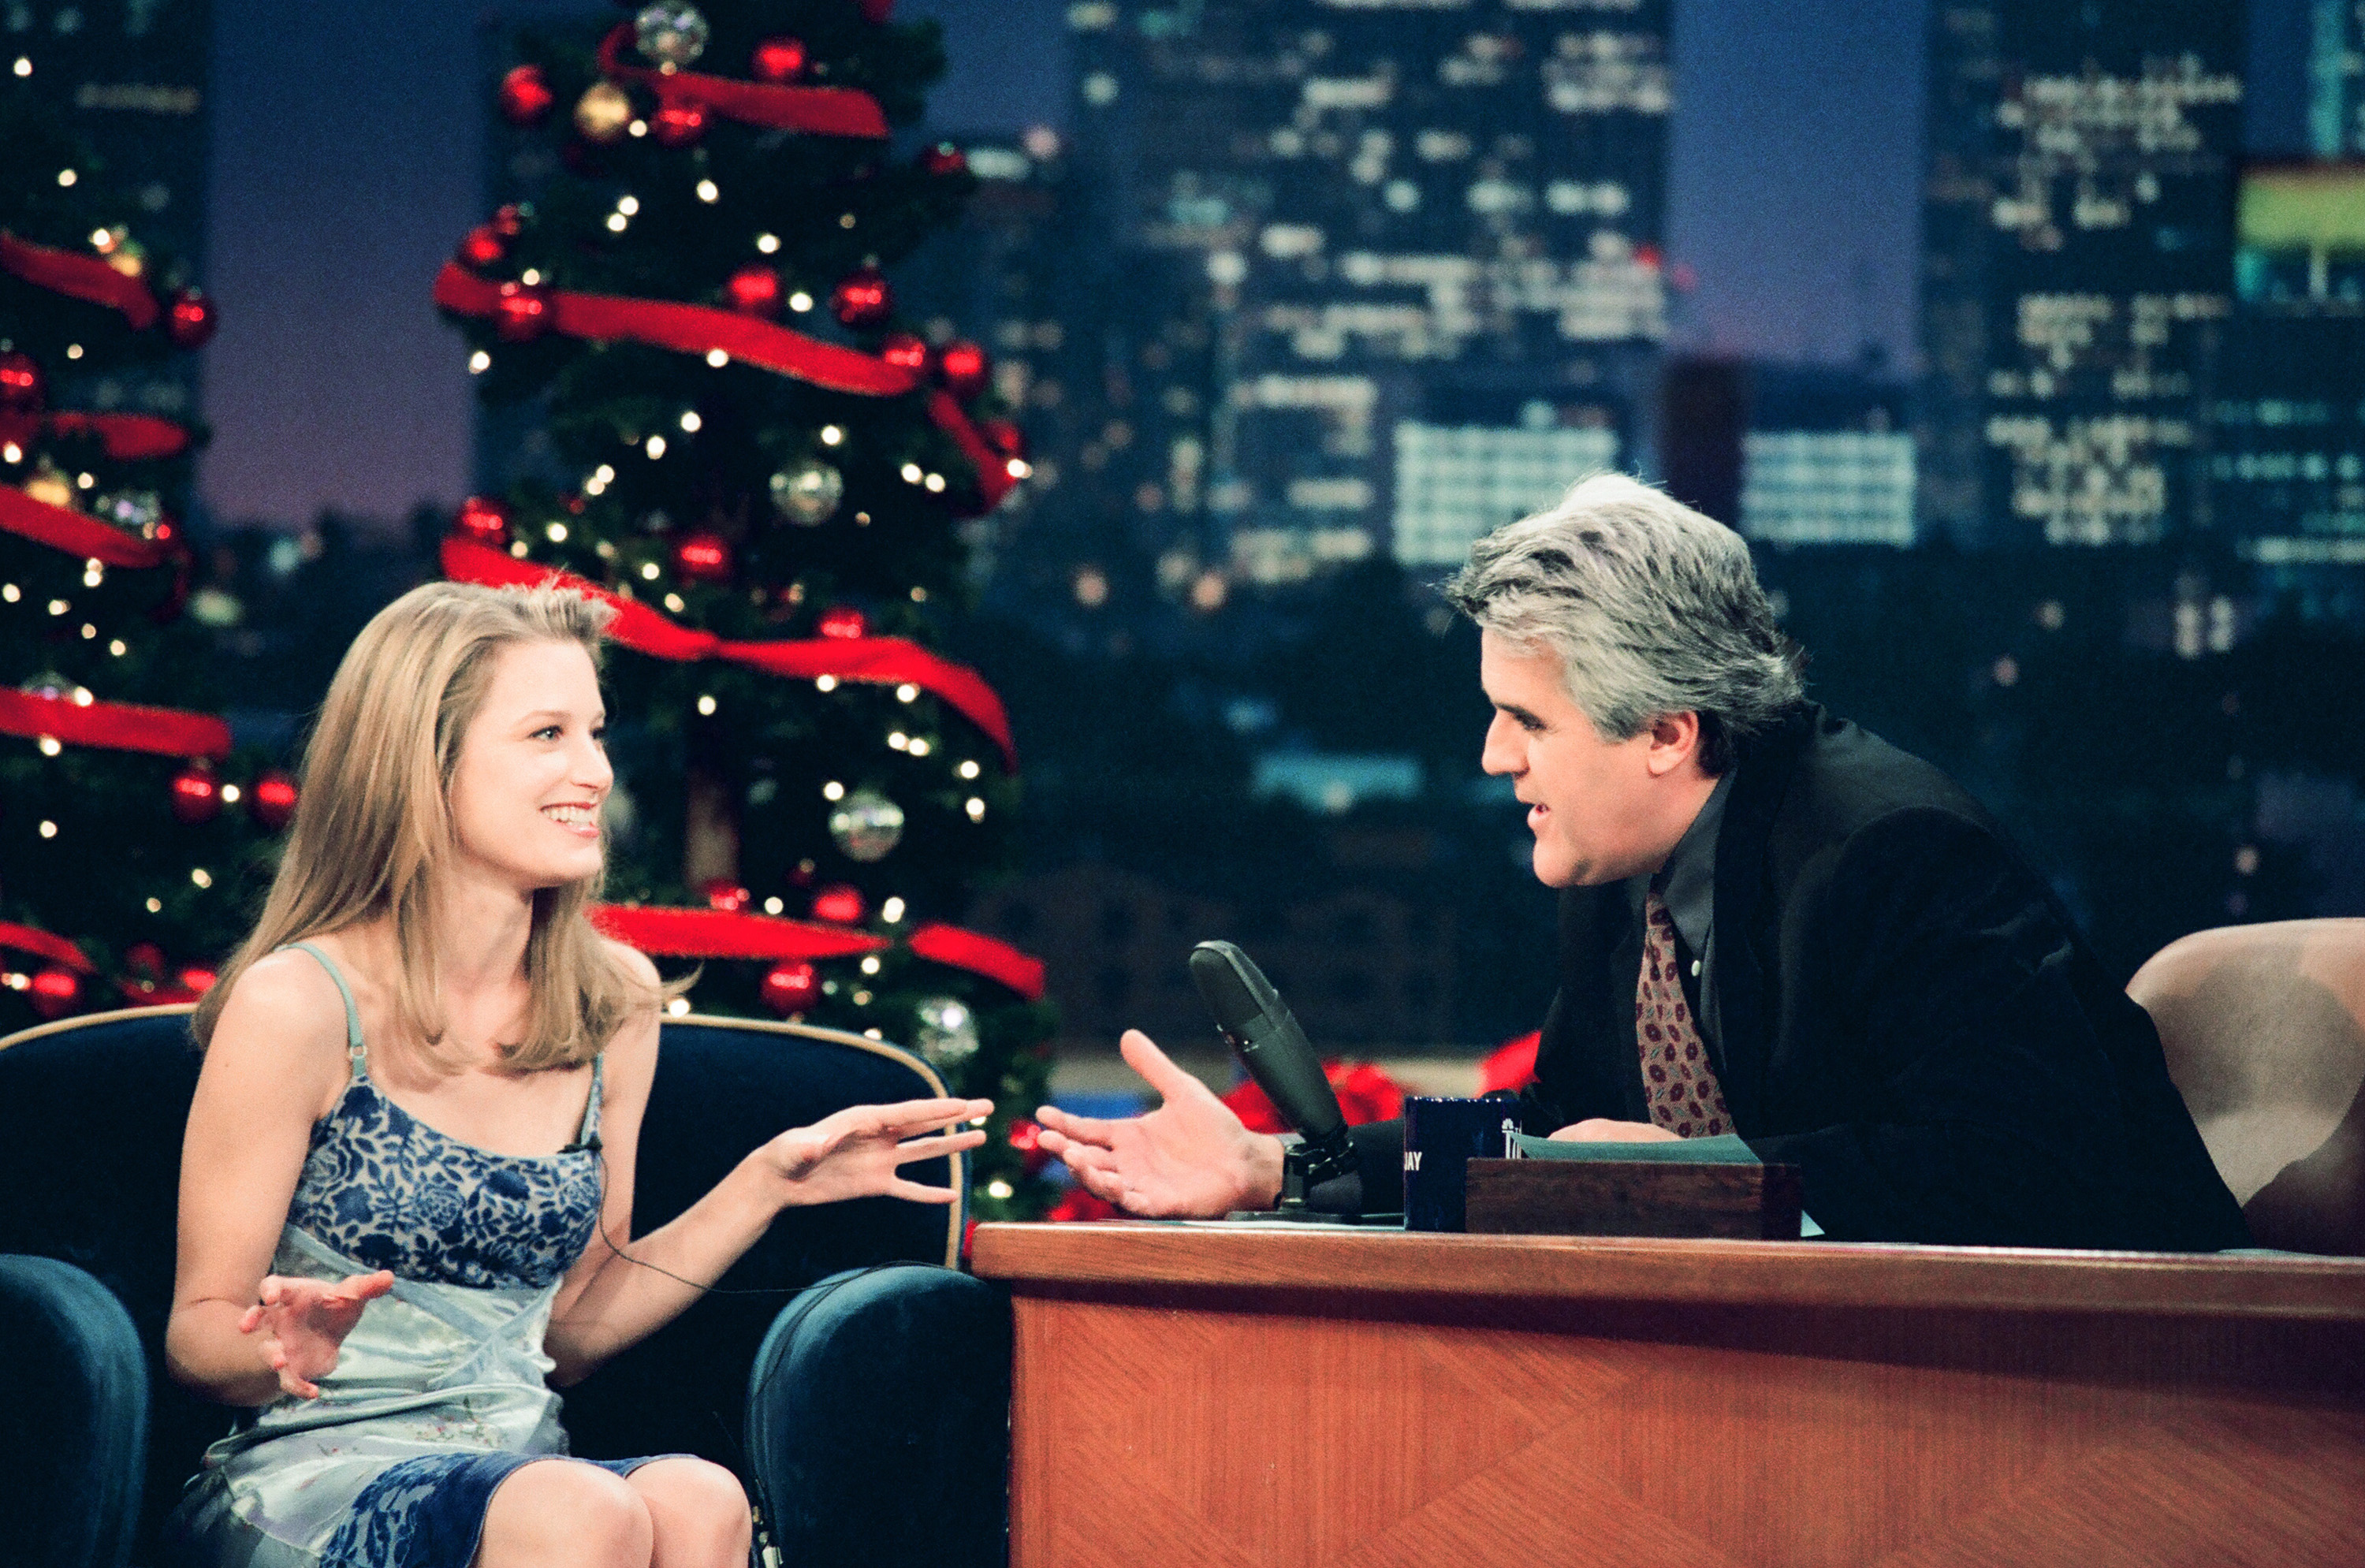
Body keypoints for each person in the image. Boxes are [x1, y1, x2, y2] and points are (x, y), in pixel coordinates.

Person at [1035, 474, 2250, 1250]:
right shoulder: (1631, 866)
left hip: (2131, 1375)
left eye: (1530, 721)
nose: (1492, 755)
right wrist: (1270, 1168)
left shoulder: (1892, 855)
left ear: (1669, 731)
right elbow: (1562, 1143)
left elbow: (2021, 1166)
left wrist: (1704, 1179)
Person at [164, 582, 991, 1568]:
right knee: (575, 1513)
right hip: (308, 1479)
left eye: (595, 733)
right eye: (547, 734)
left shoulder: (614, 1004)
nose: (594, 770)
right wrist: (274, 1348)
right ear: (421, 765)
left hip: (522, 1471)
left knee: (699, 1499)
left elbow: (572, 1336)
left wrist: (768, 1184)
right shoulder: (299, 1003)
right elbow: (196, 1333)